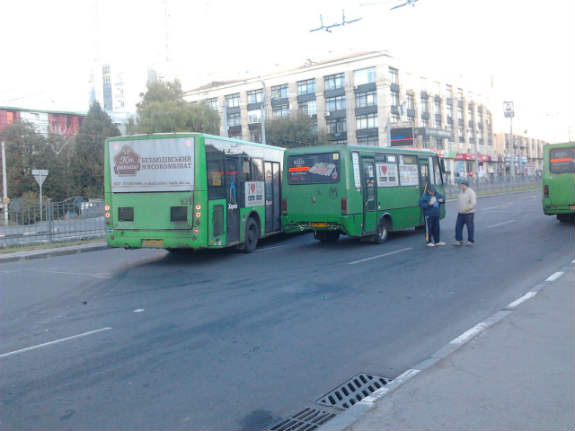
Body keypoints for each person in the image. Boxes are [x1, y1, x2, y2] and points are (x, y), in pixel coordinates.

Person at [455, 180, 477, 246]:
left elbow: (473, 203)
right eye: (461, 185)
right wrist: (459, 209)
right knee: (458, 227)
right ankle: (459, 240)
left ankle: (470, 241)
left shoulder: (471, 192)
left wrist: (466, 209)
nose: (461, 186)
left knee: (470, 227)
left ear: (466, 185)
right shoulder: (461, 192)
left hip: (468, 213)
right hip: (460, 213)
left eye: (462, 185)